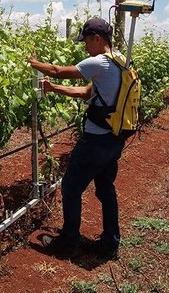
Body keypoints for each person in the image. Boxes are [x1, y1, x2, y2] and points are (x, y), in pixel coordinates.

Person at [28, 17, 125, 260]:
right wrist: (52, 89)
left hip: (95, 142)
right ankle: (110, 242)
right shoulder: (121, 60)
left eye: (86, 41)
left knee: (71, 187)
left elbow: (59, 71)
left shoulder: (99, 62)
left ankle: (68, 242)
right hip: (114, 139)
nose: (84, 47)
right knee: (105, 189)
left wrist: (34, 63)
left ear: (97, 39)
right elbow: (86, 92)